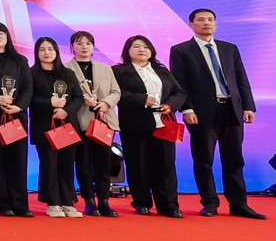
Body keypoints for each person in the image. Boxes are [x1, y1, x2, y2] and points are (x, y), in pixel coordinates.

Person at [168, 8, 266, 219]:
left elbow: (241, 79)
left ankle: (239, 203)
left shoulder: (229, 48)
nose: (207, 23)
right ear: (191, 24)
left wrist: (248, 106)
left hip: (231, 110)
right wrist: (187, 108)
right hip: (201, 113)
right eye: (201, 20)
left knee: (234, 159)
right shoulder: (181, 50)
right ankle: (210, 203)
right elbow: (179, 83)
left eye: (210, 19)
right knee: (204, 160)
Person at [114, 36, 187, 218]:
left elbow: (179, 92)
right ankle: (142, 202)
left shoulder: (162, 70)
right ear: (127, 50)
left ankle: (169, 205)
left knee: (166, 165)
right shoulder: (118, 71)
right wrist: (141, 100)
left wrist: (170, 105)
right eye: (136, 46)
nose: (142, 50)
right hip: (135, 124)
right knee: (138, 164)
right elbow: (116, 93)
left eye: (146, 47)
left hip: (163, 123)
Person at [28, 37, 85, 218]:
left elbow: (78, 98)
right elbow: (29, 99)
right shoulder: (31, 73)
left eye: (50, 49)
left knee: (67, 164)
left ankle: (68, 202)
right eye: (42, 49)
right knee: (49, 165)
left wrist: (66, 111)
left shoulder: (68, 73)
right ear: (37, 53)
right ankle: (53, 202)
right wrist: (49, 103)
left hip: (67, 125)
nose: (47, 53)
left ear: (56, 52)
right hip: (44, 126)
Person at [0, 21, 33, 217]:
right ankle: (2, 204)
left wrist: (19, 106)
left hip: (16, 116)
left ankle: (21, 204)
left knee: (18, 160)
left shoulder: (20, 60)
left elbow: (28, 87)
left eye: (1, 32)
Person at [67, 31, 122, 217]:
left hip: (102, 121)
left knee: (104, 163)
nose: (84, 47)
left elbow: (116, 92)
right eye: (79, 43)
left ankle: (104, 201)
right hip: (79, 121)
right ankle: (89, 201)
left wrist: (105, 103)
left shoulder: (105, 69)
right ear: (72, 47)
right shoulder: (65, 69)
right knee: (83, 164)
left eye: (88, 43)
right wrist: (80, 100)